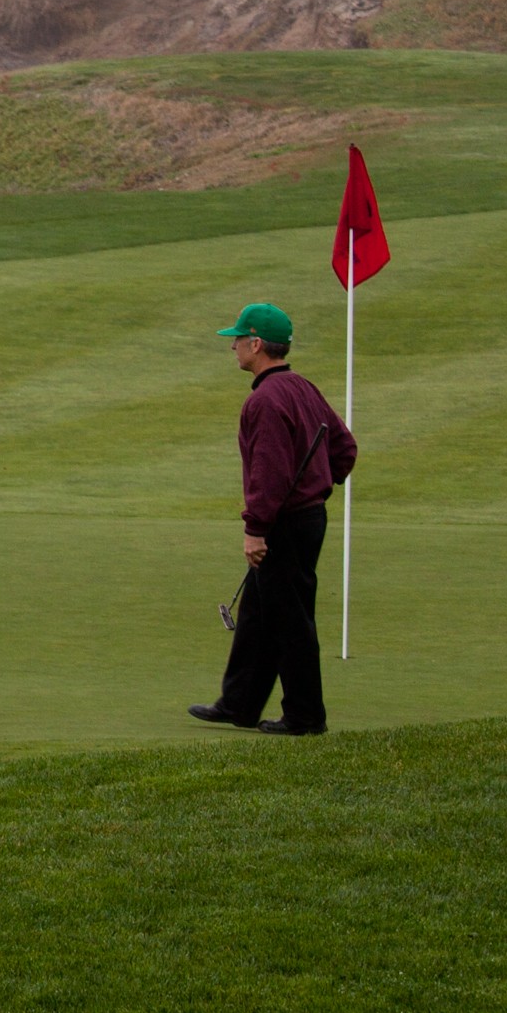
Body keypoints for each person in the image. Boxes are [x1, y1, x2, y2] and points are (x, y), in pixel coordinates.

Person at [189, 299, 355, 734]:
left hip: (285, 523)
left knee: (288, 618)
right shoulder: (304, 387)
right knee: (260, 612)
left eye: (238, 340)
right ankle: (239, 703)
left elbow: (269, 473)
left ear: (257, 344)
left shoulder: (264, 401)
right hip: (306, 515)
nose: (234, 348)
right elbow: (345, 449)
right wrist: (320, 482)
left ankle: (305, 716)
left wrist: (256, 530)